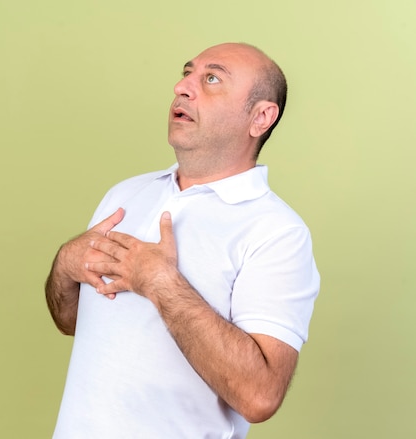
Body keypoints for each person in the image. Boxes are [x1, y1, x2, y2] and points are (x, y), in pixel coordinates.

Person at [45, 42, 320, 439]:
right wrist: (64, 267)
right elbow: (72, 322)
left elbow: (260, 396)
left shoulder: (277, 233)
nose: (182, 87)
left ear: (260, 117)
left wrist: (160, 283)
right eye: (186, 73)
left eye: (211, 79)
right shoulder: (125, 195)